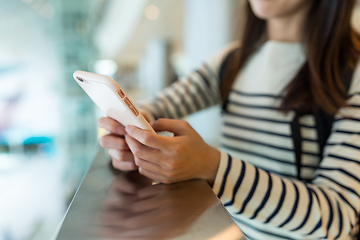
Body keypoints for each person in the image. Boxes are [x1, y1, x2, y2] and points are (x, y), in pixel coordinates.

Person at [98, 0, 360, 239]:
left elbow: (339, 216)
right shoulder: (231, 60)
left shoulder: (353, 71)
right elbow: (157, 106)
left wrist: (212, 167)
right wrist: (131, 133)